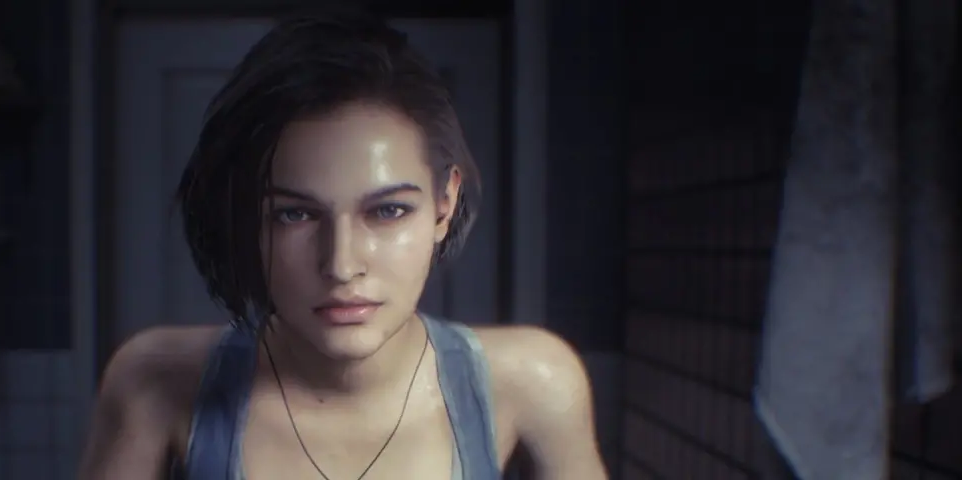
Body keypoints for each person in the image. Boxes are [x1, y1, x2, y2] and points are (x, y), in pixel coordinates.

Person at [78, 10, 607, 480]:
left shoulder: (532, 383)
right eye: (295, 214)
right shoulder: (155, 381)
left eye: (388, 211)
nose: (342, 264)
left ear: (444, 205)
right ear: (248, 218)